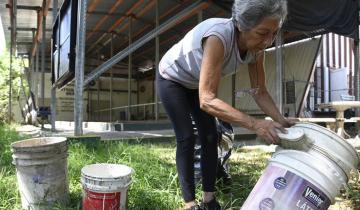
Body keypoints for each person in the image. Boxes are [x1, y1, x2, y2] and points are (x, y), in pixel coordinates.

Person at [156, 0, 293, 209]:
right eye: (263, 33)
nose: (268, 41)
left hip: (196, 83)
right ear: (241, 25)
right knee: (186, 137)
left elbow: (260, 91)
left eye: (274, 34)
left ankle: (209, 198)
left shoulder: (257, 49)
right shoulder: (218, 38)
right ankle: (189, 203)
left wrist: (281, 121)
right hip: (172, 78)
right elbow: (207, 100)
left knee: (211, 135)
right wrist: (255, 124)